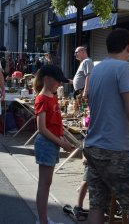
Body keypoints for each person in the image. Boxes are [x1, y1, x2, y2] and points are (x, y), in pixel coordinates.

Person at [83, 28, 129, 224]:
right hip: (113, 149)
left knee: (97, 204)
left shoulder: (97, 68)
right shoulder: (124, 68)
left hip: (93, 145)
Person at [33, 65, 75, 224]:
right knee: (44, 183)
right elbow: (42, 128)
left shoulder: (52, 96)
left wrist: (63, 139)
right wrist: (61, 142)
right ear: (47, 79)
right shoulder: (42, 98)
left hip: (52, 142)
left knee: (46, 182)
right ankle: (42, 220)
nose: (59, 84)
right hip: (46, 143)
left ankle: (43, 219)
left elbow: (56, 123)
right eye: (57, 81)